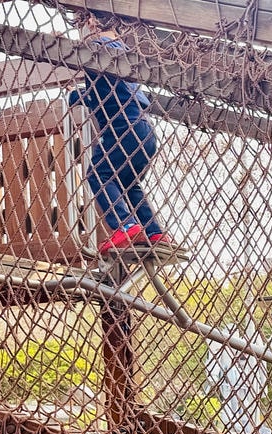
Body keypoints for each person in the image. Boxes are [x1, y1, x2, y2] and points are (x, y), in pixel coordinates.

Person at [68, 14, 173, 254]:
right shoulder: (125, 54)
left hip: (122, 128)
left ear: (92, 22)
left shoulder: (97, 49)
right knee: (129, 183)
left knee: (99, 174)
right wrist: (76, 96)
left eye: (79, 25)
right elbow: (104, 93)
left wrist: (74, 94)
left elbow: (96, 94)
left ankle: (125, 225)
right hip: (145, 131)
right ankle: (154, 231)